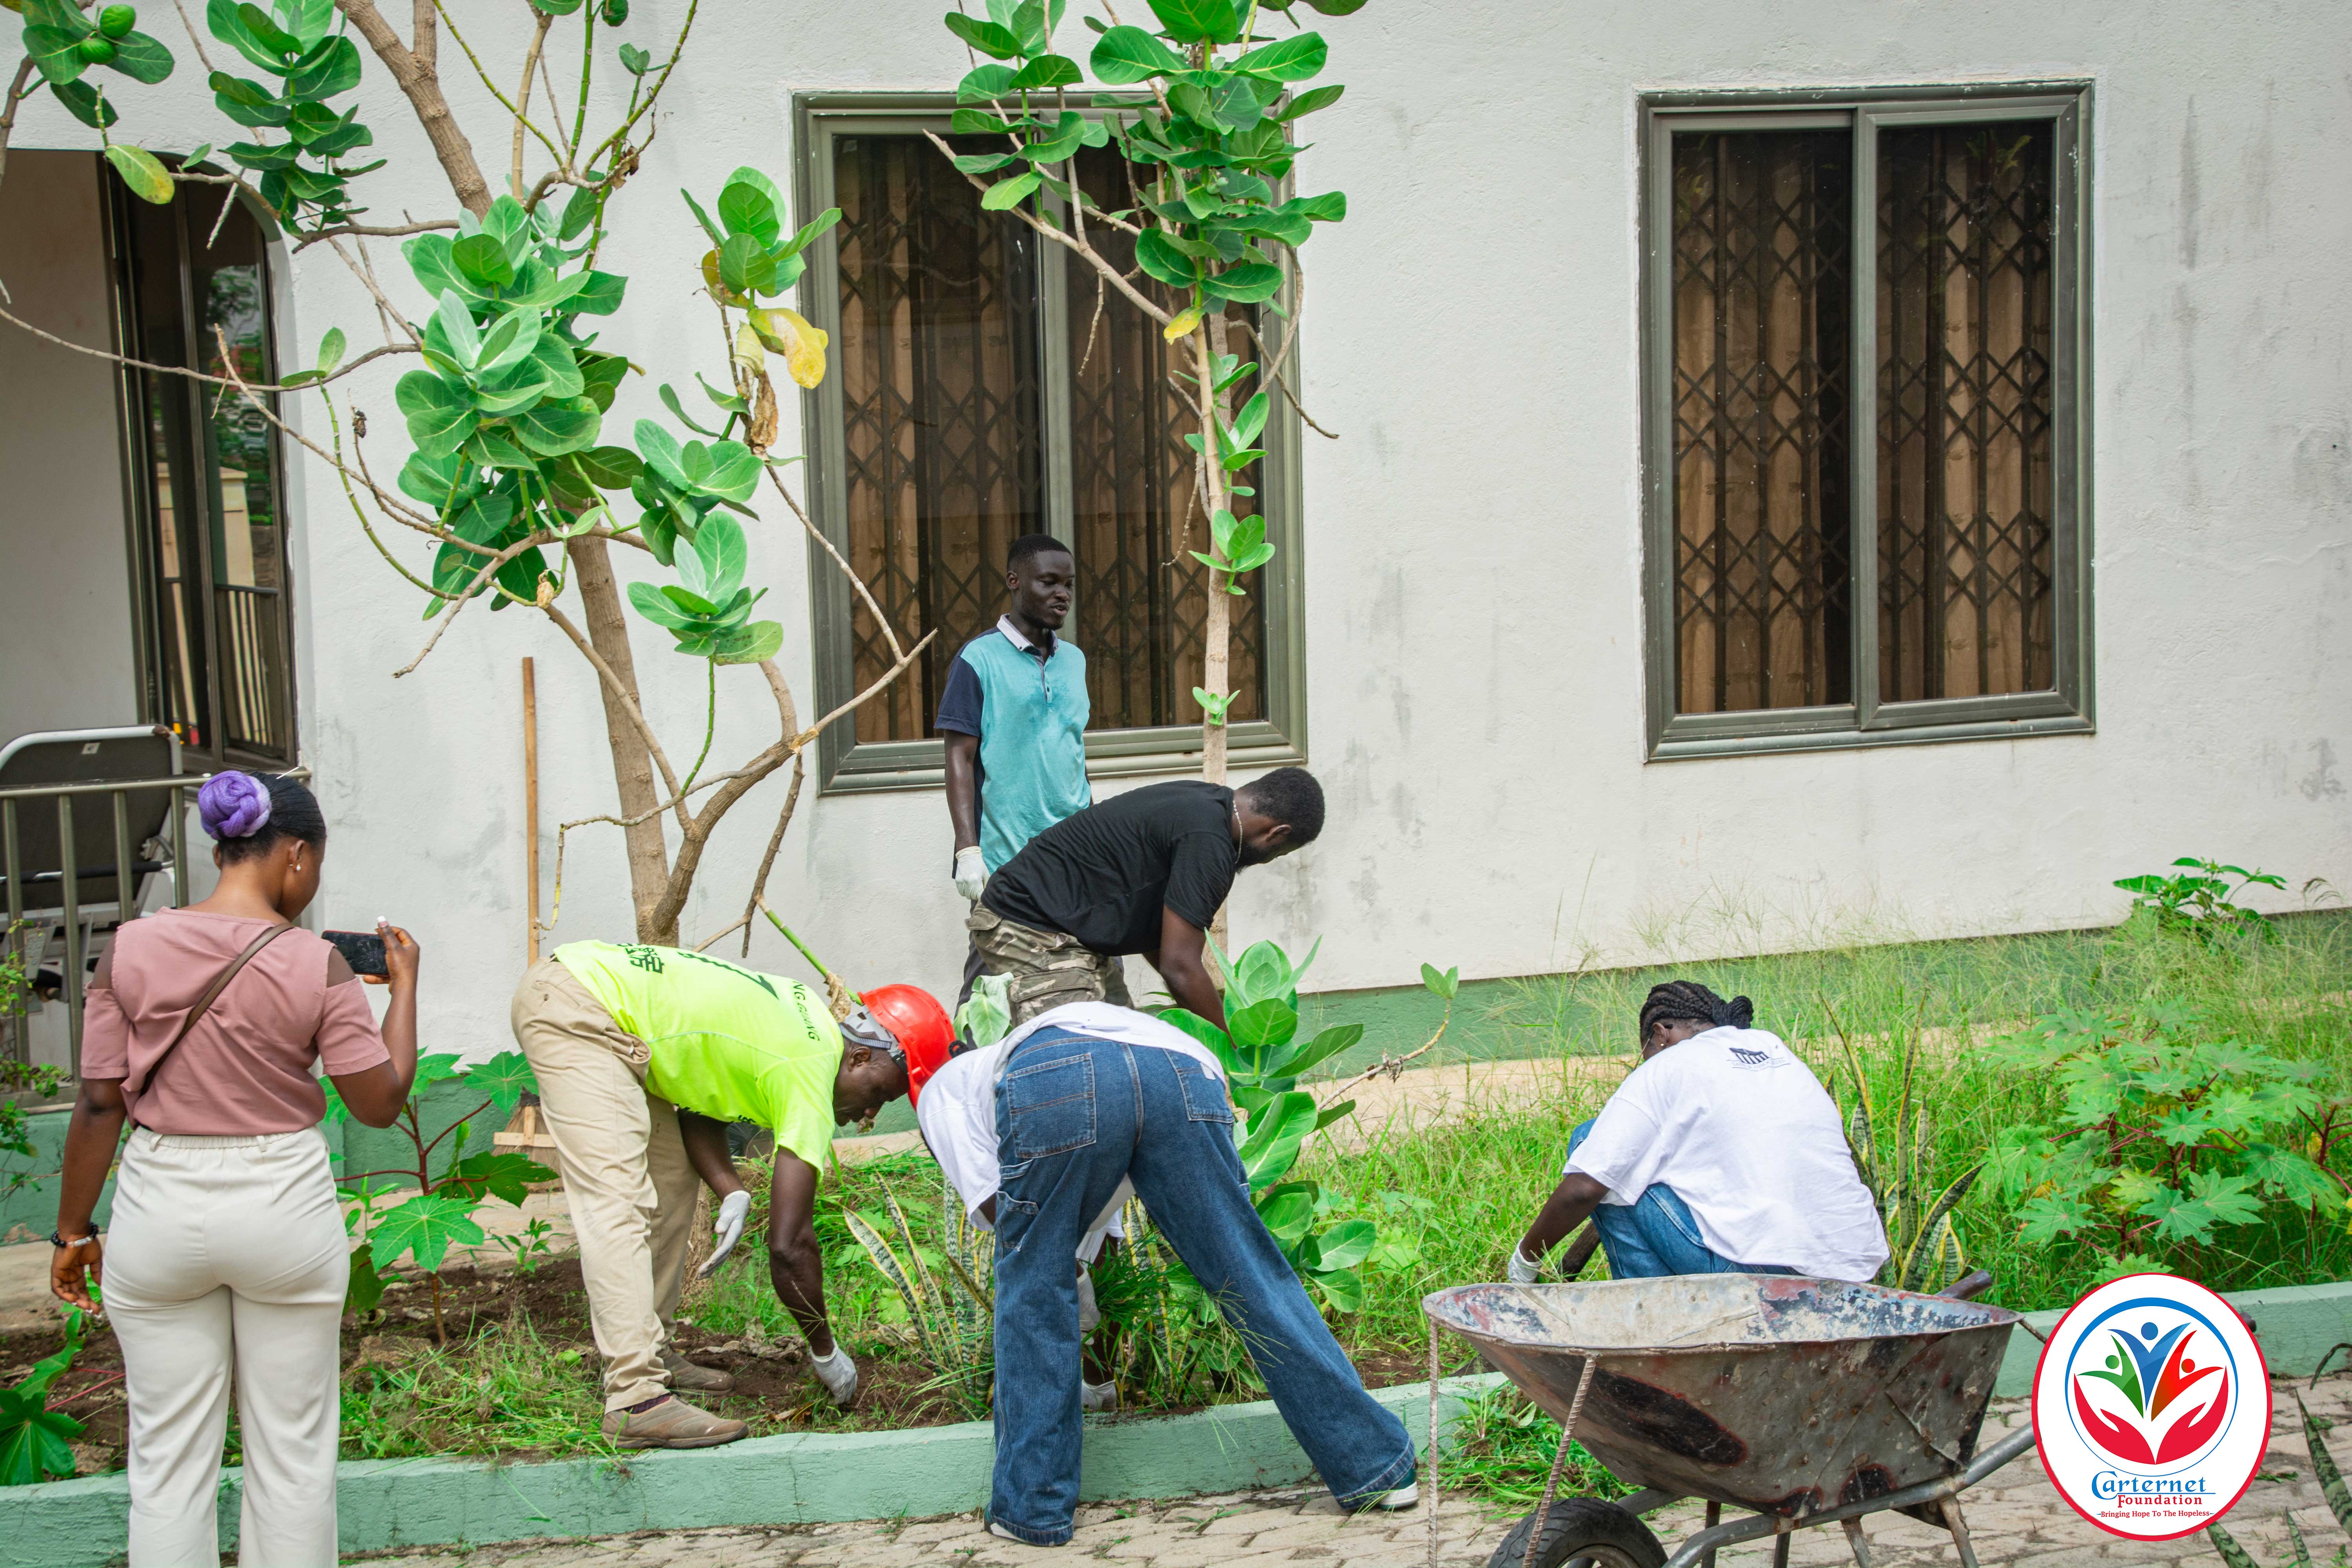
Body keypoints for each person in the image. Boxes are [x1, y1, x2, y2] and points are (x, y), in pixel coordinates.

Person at [50, 771, 421, 1566]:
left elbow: (99, 1103)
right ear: (295, 855)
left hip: (159, 1205)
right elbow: (380, 1103)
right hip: (282, 1206)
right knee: (292, 1455)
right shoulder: (316, 963)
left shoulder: (130, 947)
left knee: (165, 1463)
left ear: (222, 848)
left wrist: (73, 1232)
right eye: (315, 863)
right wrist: (404, 991)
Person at [956, 1001, 1419, 1546]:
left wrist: (1051, 1258)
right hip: (1180, 1066)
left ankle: (1031, 1508)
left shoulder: (945, 1088)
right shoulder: (1072, 1030)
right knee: (1248, 1269)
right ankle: (1377, 1467)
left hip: (1056, 1077)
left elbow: (998, 1210)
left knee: (1033, 1288)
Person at [508, 942, 951, 1447]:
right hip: (581, 1006)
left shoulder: (804, 1026)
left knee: (670, 1180)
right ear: (861, 1055)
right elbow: (789, 1245)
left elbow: (701, 1104)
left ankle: (651, 1349)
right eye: (879, 1094)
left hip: (609, 1009)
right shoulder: (810, 1069)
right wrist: (825, 1351)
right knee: (617, 1198)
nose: (870, 1115)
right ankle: (635, 1398)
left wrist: (731, 1190)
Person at [1509, 982, 1888, 1284]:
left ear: (1660, 1034)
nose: (1645, 1060)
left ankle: (1645, 1312)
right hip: (1854, 1274)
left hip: (1764, 1280)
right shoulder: (1774, 1049)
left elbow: (1584, 1189)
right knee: (1632, 1158)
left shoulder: (1670, 1062)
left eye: (1645, 1051)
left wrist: (1525, 1260)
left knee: (1592, 1139)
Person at [970, 767, 1325, 1030]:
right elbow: (1179, 965)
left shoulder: (1202, 801)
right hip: (1028, 925)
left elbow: (1162, 941)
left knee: (1129, 1047)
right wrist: (1231, 1047)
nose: (1267, 861)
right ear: (1277, 834)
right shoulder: (1210, 844)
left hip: (1066, 929)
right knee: (1081, 1059)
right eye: (1279, 854)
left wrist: (1195, 1011)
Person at [937, 535, 1092, 995]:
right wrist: (968, 851)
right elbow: (959, 757)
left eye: (1069, 584)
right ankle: (966, 1044)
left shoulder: (1074, 661)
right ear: (1015, 581)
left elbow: (1073, 750)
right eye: (1049, 582)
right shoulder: (978, 659)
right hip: (1006, 856)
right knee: (990, 987)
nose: (1062, 594)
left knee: (1093, 967)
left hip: (1076, 852)